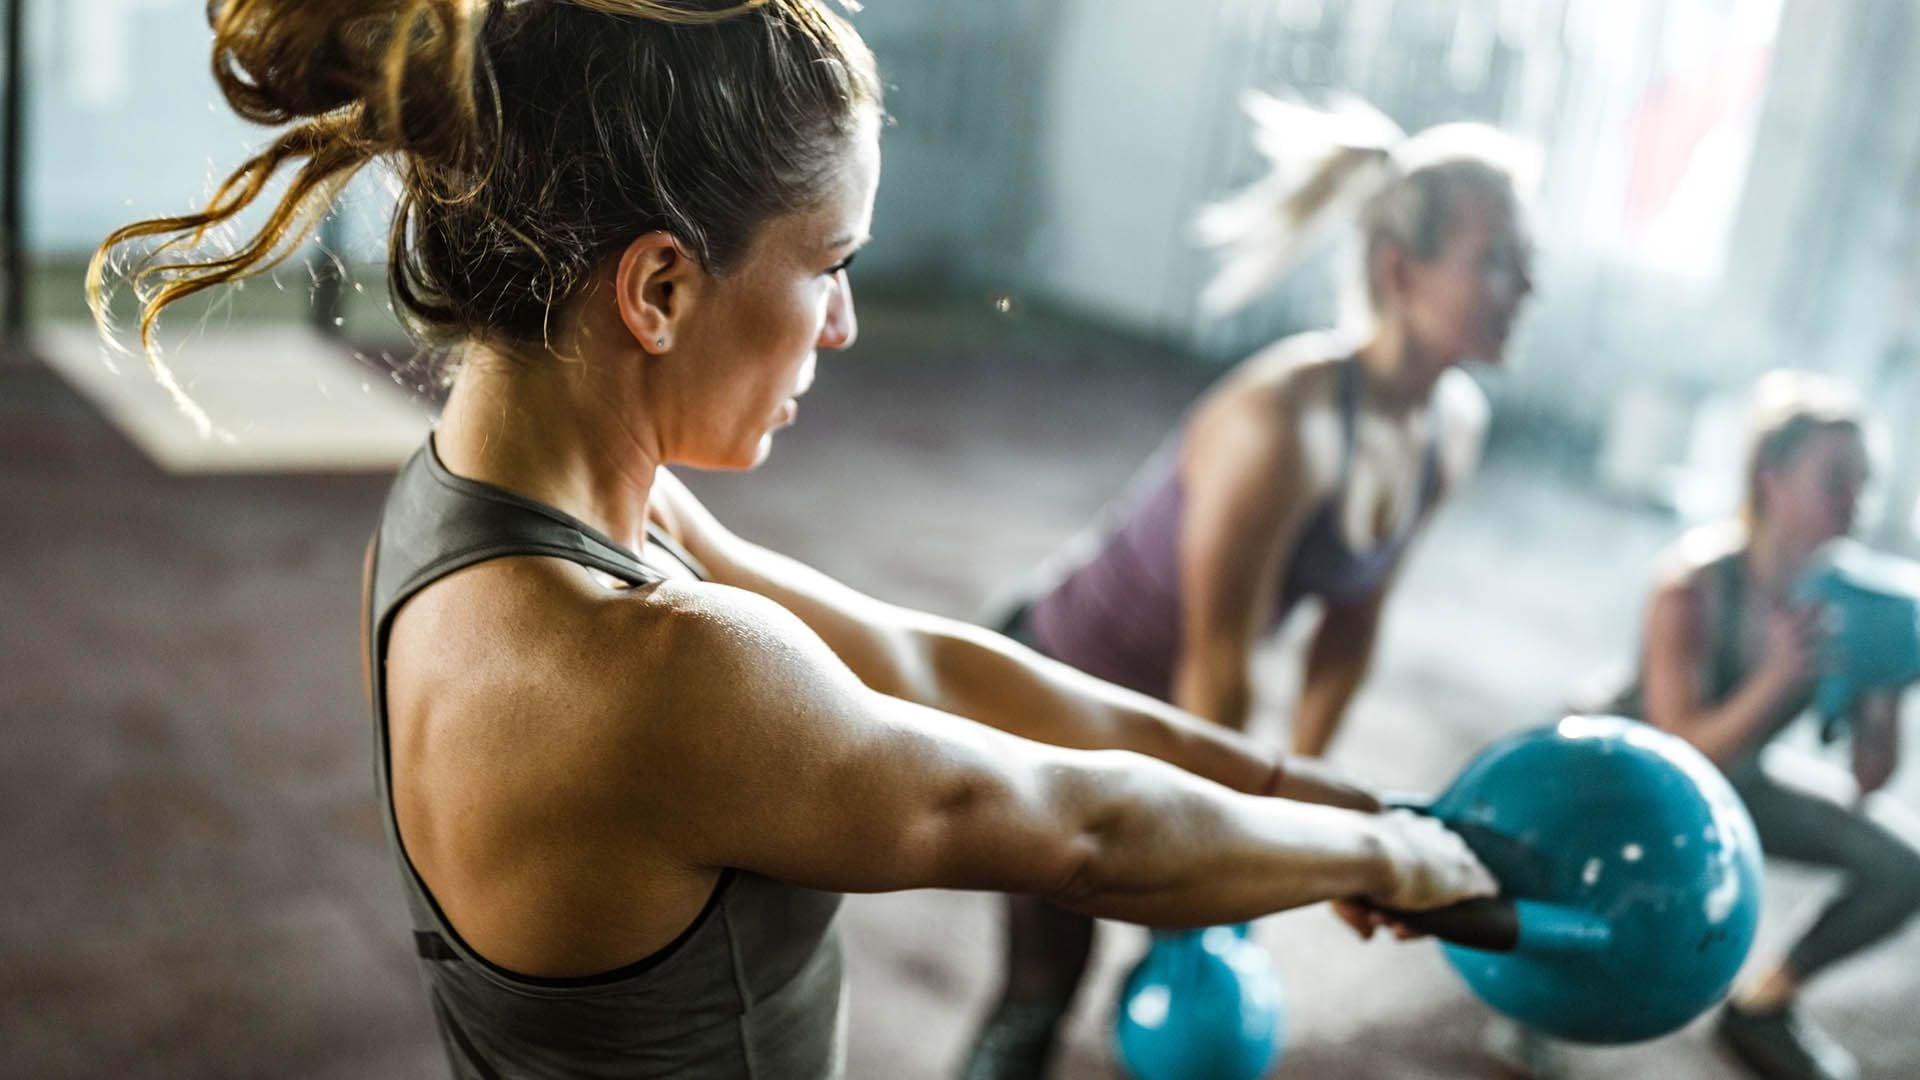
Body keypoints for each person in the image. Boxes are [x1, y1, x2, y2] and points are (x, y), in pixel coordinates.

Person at [88, 3, 1497, 1077]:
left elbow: (921, 664)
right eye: (827, 265)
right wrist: (1387, 865)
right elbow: (1082, 836)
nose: (843, 325)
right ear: (657, 287)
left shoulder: (479, 499)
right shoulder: (651, 672)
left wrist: (1317, 794)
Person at [963, 95, 1535, 1078]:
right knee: (1045, 985)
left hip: (1181, 702)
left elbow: (1349, 631)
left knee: (1185, 981)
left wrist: (1297, 820)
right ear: (1402, 273)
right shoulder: (1284, 423)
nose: (1526, 285)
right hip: (1059, 683)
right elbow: (1217, 668)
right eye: (1494, 261)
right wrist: (1245, 847)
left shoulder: (1452, 426)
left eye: (1526, 261)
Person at [1607, 371, 1920, 1080]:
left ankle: (1764, 1006)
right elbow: (1678, 751)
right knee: (1604, 889)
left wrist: (1889, 694)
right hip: (1631, 787)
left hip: (1735, 785)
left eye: (1865, 484)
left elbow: (1868, 782)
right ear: (1770, 477)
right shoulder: (1691, 585)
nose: (1855, 505)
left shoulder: (1845, 600)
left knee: (1904, 868)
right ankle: (1536, 1007)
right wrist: (1777, 678)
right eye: (1836, 480)